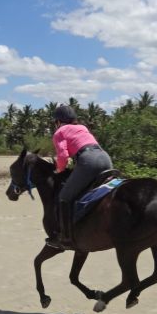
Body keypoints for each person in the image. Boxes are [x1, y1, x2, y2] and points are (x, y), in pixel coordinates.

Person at [47, 104, 113, 249]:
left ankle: (64, 237)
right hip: (105, 158)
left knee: (64, 196)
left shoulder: (59, 132)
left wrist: (59, 169)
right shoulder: (82, 128)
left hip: (88, 161)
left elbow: (63, 155)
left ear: (58, 121)